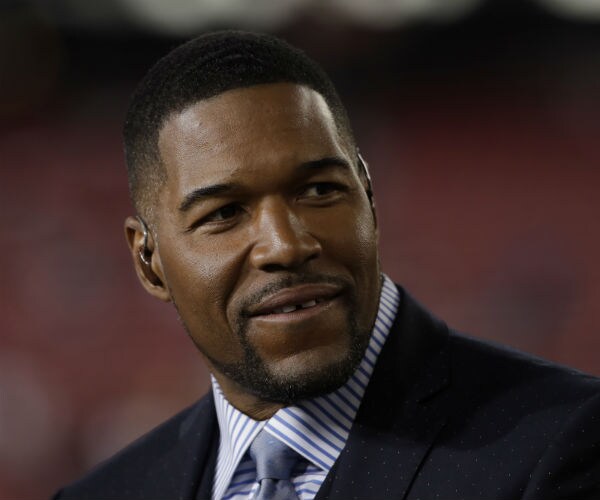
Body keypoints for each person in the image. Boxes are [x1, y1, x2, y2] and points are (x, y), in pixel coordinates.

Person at [54, 31, 600, 500]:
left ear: (369, 197)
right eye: (223, 214)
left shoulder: (564, 444)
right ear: (149, 262)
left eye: (319, 190)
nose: (285, 246)